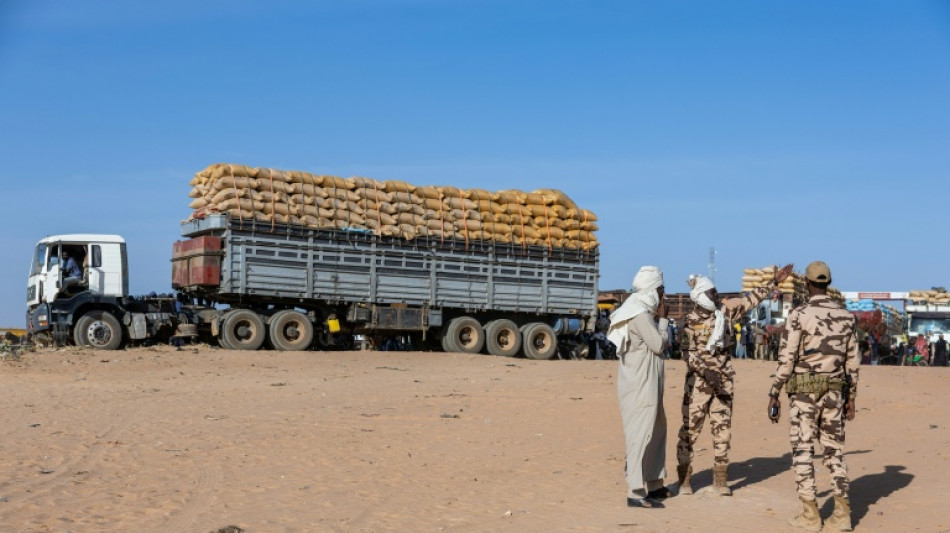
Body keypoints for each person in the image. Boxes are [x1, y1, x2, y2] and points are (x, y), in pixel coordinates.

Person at [675, 264, 793, 496]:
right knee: (689, 431)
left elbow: (751, 300)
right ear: (700, 295)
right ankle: (684, 480)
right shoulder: (688, 321)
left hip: (723, 384)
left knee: (723, 432)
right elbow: (686, 354)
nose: (716, 295)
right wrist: (705, 371)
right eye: (712, 293)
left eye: (715, 292)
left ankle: (721, 480)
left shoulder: (726, 312)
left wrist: (774, 283)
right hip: (698, 385)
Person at [767, 261, 859, 531]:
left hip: (804, 393)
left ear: (806, 284)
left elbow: (787, 358)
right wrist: (851, 397)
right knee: (834, 451)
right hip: (834, 392)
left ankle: (810, 515)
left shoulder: (799, 314)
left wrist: (774, 391)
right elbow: (853, 363)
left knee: (803, 450)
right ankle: (842, 515)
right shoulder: (847, 317)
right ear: (828, 283)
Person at [609, 266, 670, 509]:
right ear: (651, 290)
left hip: (649, 384)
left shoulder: (640, 312)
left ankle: (654, 484)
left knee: (656, 431)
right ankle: (635, 491)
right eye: (661, 290)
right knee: (640, 435)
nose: (663, 296)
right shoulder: (640, 316)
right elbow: (658, 344)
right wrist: (663, 320)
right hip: (639, 386)